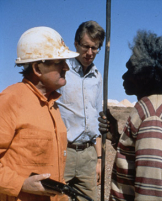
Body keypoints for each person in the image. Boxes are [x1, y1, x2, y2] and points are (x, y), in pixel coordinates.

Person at [98, 30, 162, 200]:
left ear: (145, 75)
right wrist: (116, 137)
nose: (124, 76)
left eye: (130, 70)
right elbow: (138, 161)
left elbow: (149, 191)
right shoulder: (154, 107)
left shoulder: (153, 118)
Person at [0, 27, 79, 201]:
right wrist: (20, 183)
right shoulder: (10, 100)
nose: (66, 67)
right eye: (59, 62)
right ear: (37, 68)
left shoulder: (53, 106)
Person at [56, 20, 105, 200]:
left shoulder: (97, 76)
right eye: (86, 46)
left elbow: (98, 116)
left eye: (95, 48)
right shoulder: (62, 70)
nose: (90, 53)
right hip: (63, 152)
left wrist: (99, 159)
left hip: (88, 155)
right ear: (76, 43)